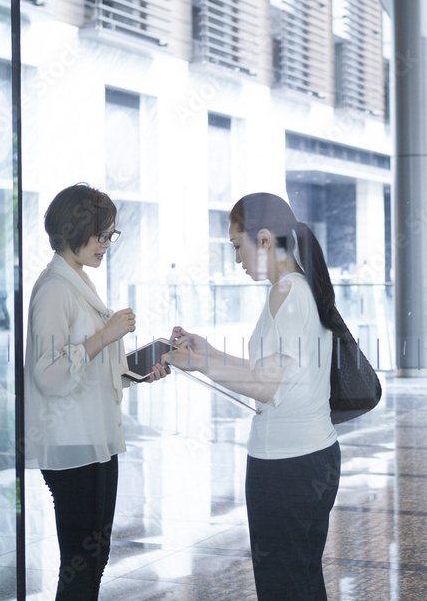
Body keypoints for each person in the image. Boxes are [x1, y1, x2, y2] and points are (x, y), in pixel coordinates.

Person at [166, 192, 341, 600]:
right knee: (301, 583)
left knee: (285, 588)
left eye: (236, 246)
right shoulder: (297, 287)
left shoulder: (288, 292)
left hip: (287, 467)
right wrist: (205, 350)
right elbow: (269, 372)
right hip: (307, 459)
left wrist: (200, 365)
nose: (237, 258)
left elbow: (266, 386)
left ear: (263, 239)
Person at [25, 183, 169, 600]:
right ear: (73, 230)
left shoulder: (77, 281)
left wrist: (135, 373)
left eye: (110, 235)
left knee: (96, 555)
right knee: (80, 560)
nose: (107, 243)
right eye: (101, 234)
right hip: (72, 443)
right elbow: (47, 375)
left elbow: (85, 368)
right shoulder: (55, 289)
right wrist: (106, 335)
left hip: (95, 439)